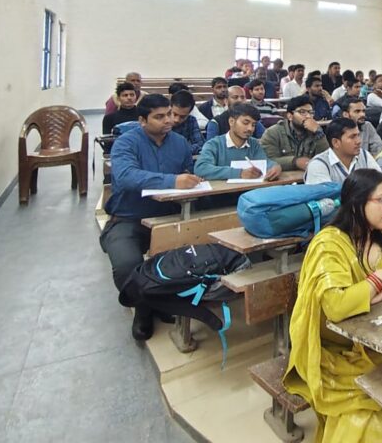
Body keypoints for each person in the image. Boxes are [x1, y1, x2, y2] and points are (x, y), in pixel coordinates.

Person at [284, 170, 382, 443]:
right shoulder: (329, 244)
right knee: (373, 418)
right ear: (357, 203)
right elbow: (336, 306)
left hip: (378, 340)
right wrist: (380, 278)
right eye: (381, 200)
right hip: (334, 351)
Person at [100, 94, 202, 341]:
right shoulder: (126, 143)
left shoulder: (179, 142)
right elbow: (126, 176)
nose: (168, 120)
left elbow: (188, 171)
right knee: (126, 265)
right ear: (142, 120)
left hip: (169, 215)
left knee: (191, 258)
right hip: (129, 217)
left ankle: (162, 300)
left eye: (169, 114)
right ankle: (144, 309)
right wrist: (172, 181)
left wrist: (192, 179)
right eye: (159, 117)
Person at [194, 103, 283, 183]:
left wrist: (275, 167)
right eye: (245, 123)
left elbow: (264, 162)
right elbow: (201, 168)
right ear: (231, 122)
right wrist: (239, 173)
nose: (250, 128)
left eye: (253, 125)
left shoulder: (254, 144)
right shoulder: (214, 144)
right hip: (222, 194)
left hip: (249, 191)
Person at [261, 95, 330, 171]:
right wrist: (295, 162)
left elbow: (327, 158)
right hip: (283, 177)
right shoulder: (273, 133)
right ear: (290, 116)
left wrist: (319, 133)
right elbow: (268, 160)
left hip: (310, 176)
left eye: (311, 112)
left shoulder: (316, 132)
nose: (308, 116)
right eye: (302, 112)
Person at [305, 118, 382, 184]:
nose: (359, 141)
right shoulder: (318, 165)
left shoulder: (364, 155)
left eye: (358, 135)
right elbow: (324, 196)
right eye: (352, 137)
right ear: (336, 142)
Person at [169, 89, 205, 156]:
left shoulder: (191, 120)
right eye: (174, 114)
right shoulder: (161, 121)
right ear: (170, 107)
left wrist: (181, 151)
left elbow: (200, 144)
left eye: (182, 117)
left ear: (189, 113)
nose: (177, 120)